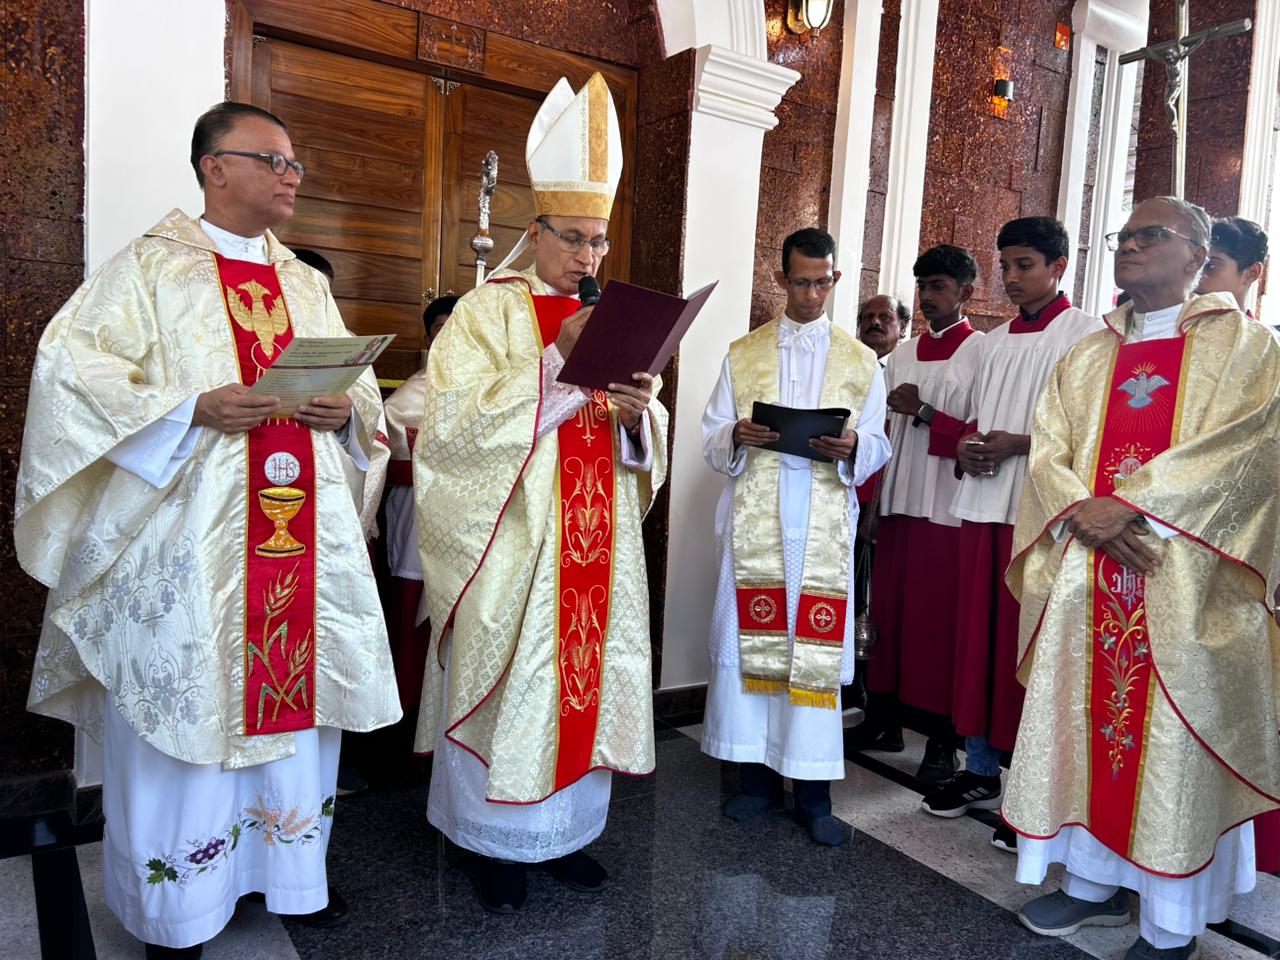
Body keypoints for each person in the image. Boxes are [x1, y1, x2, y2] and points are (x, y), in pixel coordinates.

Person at [13, 102, 400, 958]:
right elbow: (71, 372)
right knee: (181, 717)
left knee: (297, 717)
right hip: (185, 548)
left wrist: (345, 411)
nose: (291, 174)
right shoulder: (150, 269)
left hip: (298, 543)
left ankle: (287, 875)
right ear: (214, 166)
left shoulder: (305, 281)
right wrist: (191, 408)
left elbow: (360, 392)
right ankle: (177, 910)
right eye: (273, 159)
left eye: (295, 162)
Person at [413, 73, 668, 914]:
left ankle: (563, 837)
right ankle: (492, 844)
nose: (591, 257)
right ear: (536, 231)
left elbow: (640, 441)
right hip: (515, 546)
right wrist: (557, 363)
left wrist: (637, 418)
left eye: (599, 240)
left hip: (594, 548)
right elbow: (452, 429)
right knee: (513, 686)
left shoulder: (613, 311)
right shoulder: (489, 312)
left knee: (578, 689)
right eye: (575, 239)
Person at [1005, 196, 1280, 960]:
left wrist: (1132, 514)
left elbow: (1250, 455)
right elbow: (1048, 446)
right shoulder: (1088, 352)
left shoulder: (1251, 349)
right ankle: (1090, 885)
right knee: (1086, 725)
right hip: (1089, 574)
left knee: (1171, 743)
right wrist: (1080, 512)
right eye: (1121, 237)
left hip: (1179, 576)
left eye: (1148, 235)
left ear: (1198, 253)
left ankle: (1169, 921)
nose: (1128, 247)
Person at [699, 227, 891, 846]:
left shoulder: (862, 362)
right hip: (757, 521)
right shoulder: (741, 353)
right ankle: (752, 782)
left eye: (824, 282)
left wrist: (855, 446)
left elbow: (880, 440)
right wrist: (736, 435)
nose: (813, 294)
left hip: (821, 525)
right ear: (782, 279)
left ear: (835, 279)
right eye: (802, 281)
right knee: (751, 654)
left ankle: (812, 793)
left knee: (810, 660)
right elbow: (709, 431)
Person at [921, 217, 1102, 851]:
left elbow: (1095, 431)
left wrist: (1021, 444)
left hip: (1044, 518)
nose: (1013, 277)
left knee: (1030, 652)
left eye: (1025, 264)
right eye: (1006, 266)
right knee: (982, 646)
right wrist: (971, 448)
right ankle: (978, 768)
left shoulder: (1089, 338)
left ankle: (1029, 788)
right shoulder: (994, 343)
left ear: (1059, 267)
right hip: (983, 506)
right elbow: (973, 419)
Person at [856, 246, 985, 784]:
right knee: (889, 617)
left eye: (938, 286)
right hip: (898, 503)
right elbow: (878, 432)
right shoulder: (902, 355)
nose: (929, 297)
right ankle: (884, 720)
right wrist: (870, 501)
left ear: (966, 292)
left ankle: (941, 741)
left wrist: (928, 413)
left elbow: (984, 432)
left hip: (946, 508)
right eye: (923, 287)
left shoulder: (982, 352)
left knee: (938, 626)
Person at [381, 295, 456, 713]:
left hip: (473, 526)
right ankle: (410, 720)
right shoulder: (415, 391)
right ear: (428, 338)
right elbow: (384, 440)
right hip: (418, 521)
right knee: (413, 619)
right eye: (441, 329)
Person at [1196, 215, 1267, 315]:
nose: (1196, 277)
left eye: (1211, 266)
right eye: (1195, 264)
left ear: (1251, 273)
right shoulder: (1172, 325)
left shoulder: (1256, 331)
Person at [856, 294, 910, 360]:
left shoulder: (911, 366)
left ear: (902, 327)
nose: (875, 322)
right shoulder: (843, 362)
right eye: (868, 317)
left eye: (885, 317)